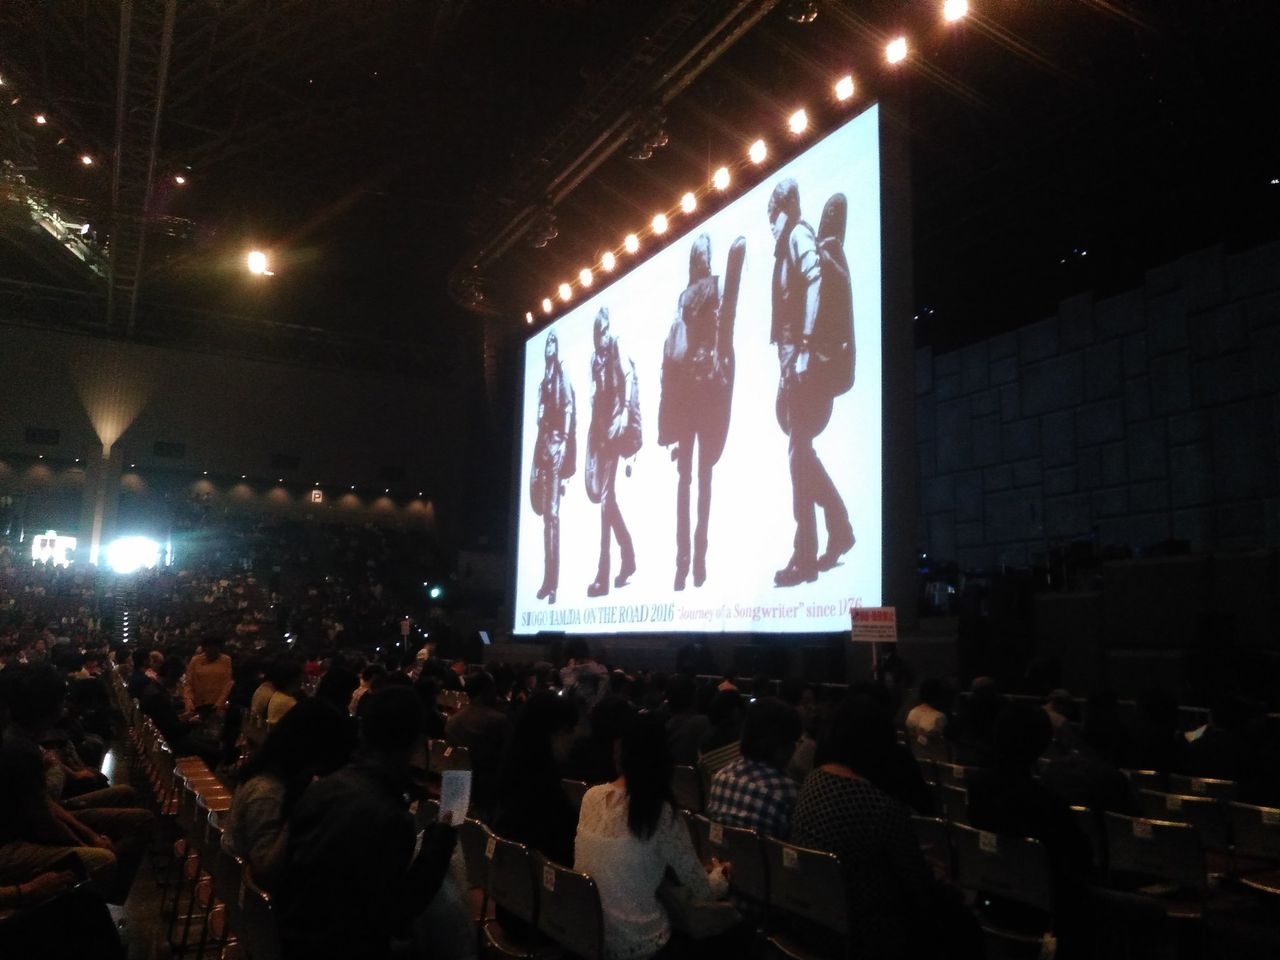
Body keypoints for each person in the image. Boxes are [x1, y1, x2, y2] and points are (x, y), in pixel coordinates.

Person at [277, 686, 459, 960]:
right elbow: (397, 914)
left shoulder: (320, 788)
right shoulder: (390, 817)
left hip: (292, 939)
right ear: (415, 744)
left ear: (363, 731)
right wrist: (442, 838)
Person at [790, 694, 942, 960]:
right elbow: (919, 886)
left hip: (815, 922)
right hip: (869, 934)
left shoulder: (812, 782)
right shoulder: (880, 808)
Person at [574, 713, 728, 960]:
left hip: (589, 934)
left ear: (619, 753)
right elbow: (704, 890)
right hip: (639, 942)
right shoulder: (661, 812)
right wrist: (721, 874)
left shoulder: (591, 797)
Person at [767, 178, 853, 586]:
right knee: (801, 457)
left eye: (771, 214)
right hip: (798, 368)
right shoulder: (790, 241)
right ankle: (839, 527)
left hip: (807, 368)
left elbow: (814, 280)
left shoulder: (797, 235)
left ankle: (804, 559)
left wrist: (803, 344)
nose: (770, 224)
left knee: (797, 459)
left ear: (785, 208)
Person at [658, 233, 744, 590]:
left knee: (690, 481)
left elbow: (673, 357)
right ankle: (694, 564)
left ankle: (688, 563)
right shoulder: (711, 290)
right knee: (698, 480)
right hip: (703, 395)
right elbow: (722, 333)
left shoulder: (687, 298)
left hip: (692, 397)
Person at [223, 699, 351, 890]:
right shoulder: (269, 792)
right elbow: (264, 872)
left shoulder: (265, 773)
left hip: (235, 884)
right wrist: (297, 812)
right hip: (241, 894)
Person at [585, 307, 637, 598]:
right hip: (602, 434)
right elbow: (593, 398)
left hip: (617, 427)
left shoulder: (617, 345)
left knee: (606, 501)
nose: (601, 336)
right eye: (598, 331)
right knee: (608, 500)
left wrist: (625, 413)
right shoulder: (594, 360)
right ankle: (628, 556)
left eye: (604, 330)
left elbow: (628, 376)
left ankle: (602, 577)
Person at [705, 697, 801, 838]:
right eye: (794, 743)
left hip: (719, 852)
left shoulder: (721, 777)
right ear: (782, 748)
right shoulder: (787, 793)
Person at [533, 331, 575, 605]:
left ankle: (553, 583)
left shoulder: (562, 372)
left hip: (558, 447)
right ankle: (548, 580)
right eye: (546, 342)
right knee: (546, 518)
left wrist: (566, 442)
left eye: (552, 342)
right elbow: (540, 422)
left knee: (553, 517)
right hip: (543, 450)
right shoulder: (542, 381)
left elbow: (568, 407)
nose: (549, 346)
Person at [184, 635, 233, 716]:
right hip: (198, 704)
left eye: (215, 648)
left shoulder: (226, 660)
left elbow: (227, 683)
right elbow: (189, 683)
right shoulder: (195, 660)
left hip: (218, 706)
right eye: (209, 647)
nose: (211, 650)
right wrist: (188, 701)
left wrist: (220, 702)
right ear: (204, 648)